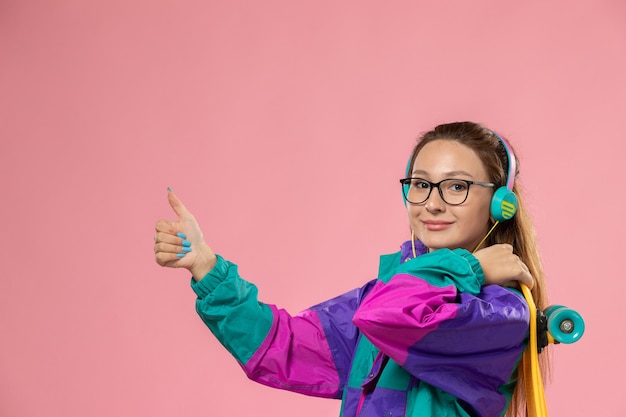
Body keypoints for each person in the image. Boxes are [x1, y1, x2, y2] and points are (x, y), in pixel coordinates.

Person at [154, 121, 549, 417]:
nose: (432, 203)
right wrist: (207, 267)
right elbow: (283, 345)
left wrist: (466, 266)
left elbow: (392, 316)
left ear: (501, 203)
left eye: (457, 186)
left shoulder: (500, 313)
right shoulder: (393, 289)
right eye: (420, 184)